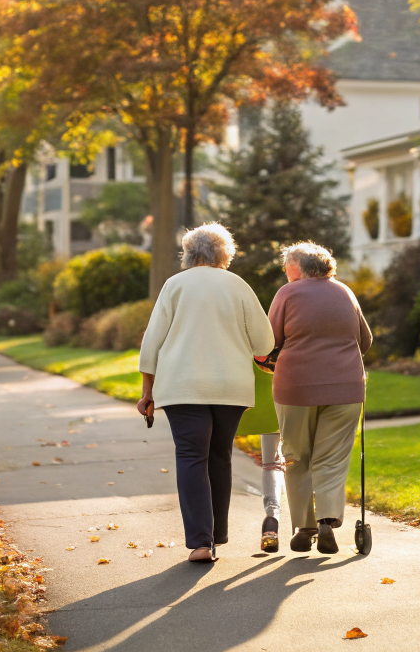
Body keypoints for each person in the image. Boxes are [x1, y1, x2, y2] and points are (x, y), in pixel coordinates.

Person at [137, 223, 274, 563]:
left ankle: (201, 542)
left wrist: (147, 393)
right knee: (219, 456)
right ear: (225, 253)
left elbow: (151, 342)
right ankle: (217, 535)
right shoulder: (238, 285)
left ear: (189, 253)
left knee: (190, 456)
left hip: (182, 387)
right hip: (230, 388)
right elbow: (265, 343)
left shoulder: (175, 285)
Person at [268, 241, 372, 554]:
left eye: (287, 265)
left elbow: (268, 341)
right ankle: (327, 520)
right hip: (346, 389)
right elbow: (364, 340)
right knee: (331, 459)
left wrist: (266, 358)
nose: (285, 271)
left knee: (296, 456)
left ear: (297, 267)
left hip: (295, 388)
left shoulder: (287, 293)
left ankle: (305, 526)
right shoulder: (344, 292)